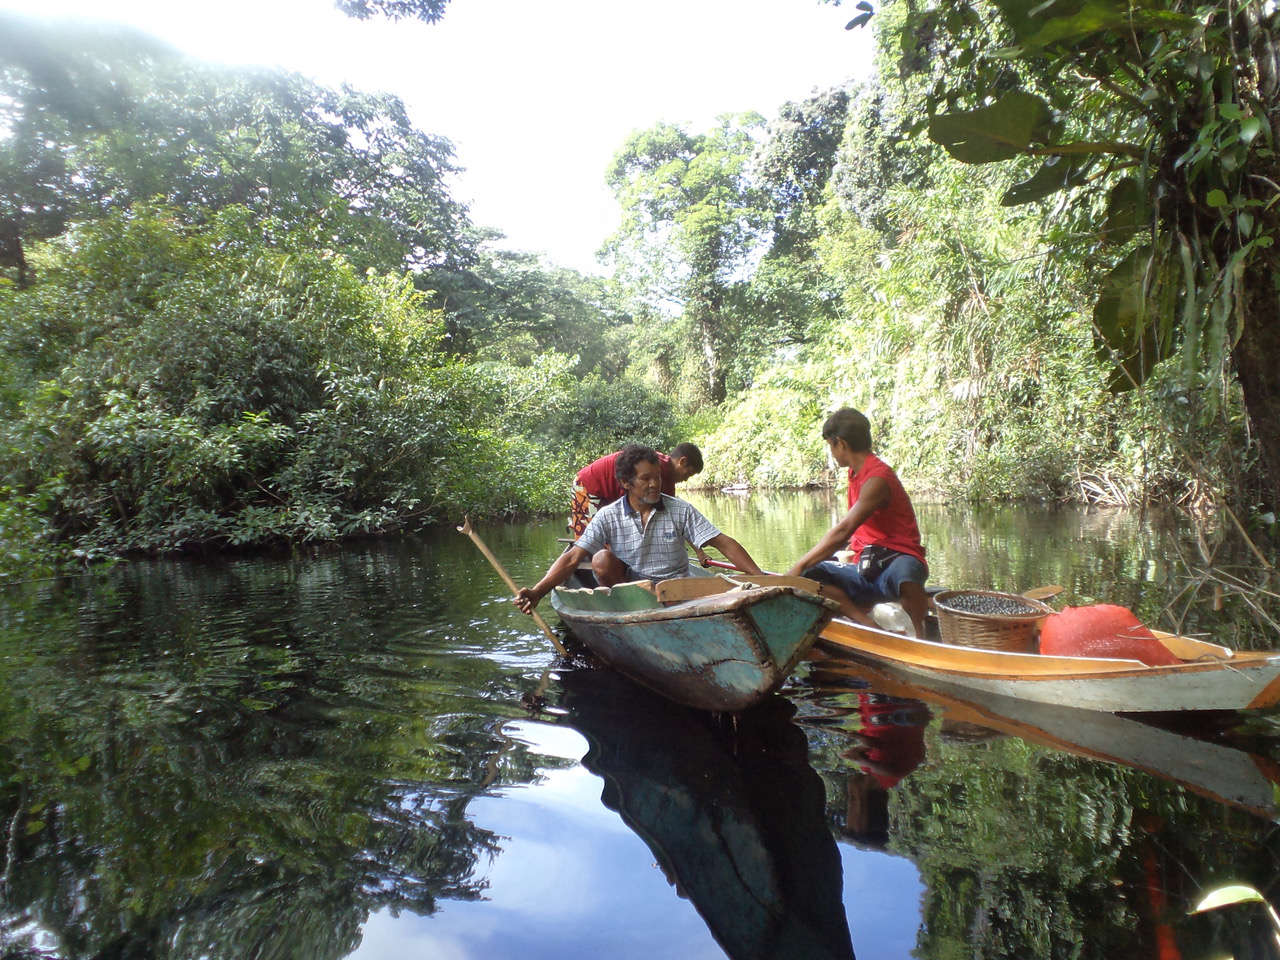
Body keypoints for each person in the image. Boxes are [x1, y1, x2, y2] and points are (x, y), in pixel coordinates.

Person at [517, 444, 762, 614]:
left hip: (677, 588)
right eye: (646, 479)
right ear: (626, 483)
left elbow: (723, 542)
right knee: (601, 558)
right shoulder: (608, 515)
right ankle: (627, 610)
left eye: (657, 477)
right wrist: (538, 592)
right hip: (633, 590)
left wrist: (759, 579)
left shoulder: (680, 510)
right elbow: (573, 558)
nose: (655, 484)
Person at [784, 407, 930, 637]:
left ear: (840, 443)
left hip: (894, 565)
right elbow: (855, 534)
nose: (832, 453)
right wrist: (806, 569)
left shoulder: (877, 479)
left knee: (907, 571)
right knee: (812, 575)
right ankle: (868, 626)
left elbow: (843, 530)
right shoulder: (854, 473)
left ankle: (921, 635)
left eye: (831, 446)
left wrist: (797, 567)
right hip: (866, 569)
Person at [569, 442, 703, 538]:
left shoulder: (664, 478)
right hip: (588, 485)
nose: (686, 479)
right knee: (592, 539)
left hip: (609, 492)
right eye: (688, 473)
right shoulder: (656, 466)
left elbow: (670, 515)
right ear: (682, 461)